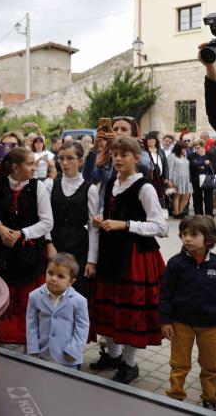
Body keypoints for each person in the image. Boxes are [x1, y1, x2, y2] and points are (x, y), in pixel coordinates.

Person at [87, 136, 167, 384]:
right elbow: (111, 213)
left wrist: (125, 224)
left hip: (135, 256)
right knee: (109, 306)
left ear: (137, 157)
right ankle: (113, 355)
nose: (118, 159)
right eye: (115, 154)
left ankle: (130, 364)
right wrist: (101, 219)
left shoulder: (145, 187)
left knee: (131, 312)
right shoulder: (111, 182)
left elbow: (161, 227)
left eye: (124, 154)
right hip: (111, 252)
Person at [159, 216, 216, 412]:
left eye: (193, 235)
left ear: (209, 238)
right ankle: (175, 396)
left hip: (212, 326)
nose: (187, 238)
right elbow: (165, 295)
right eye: (184, 234)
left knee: (210, 366)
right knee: (179, 364)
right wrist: (165, 321)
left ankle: (209, 399)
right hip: (181, 324)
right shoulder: (175, 264)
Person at [0, 147, 54, 345]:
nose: (34, 167)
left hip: (29, 252)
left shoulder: (37, 187)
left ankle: (28, 340)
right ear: (15, 167)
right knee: (6, 294)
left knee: (26, 297)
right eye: (30, 164)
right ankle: (4, 338)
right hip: (4, 251)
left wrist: (23, 233)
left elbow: (47, 222)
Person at [26, 252, 89, 368]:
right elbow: (32, 324)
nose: (54, 278)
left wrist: (73, 350)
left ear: (71, 281)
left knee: (66, 385)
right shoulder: (34, 296)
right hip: (41, 354)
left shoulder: (79, 301)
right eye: (50, 273)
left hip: (67, 357)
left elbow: (82, 328)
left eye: (60, 276)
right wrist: (33, 347)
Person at [46, 142, 90, 297]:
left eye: (70, 158)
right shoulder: (51, 185)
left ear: (80, 161)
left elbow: (93, 227)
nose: (64, 163)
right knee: (53, 289)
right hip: (56, 244)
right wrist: (48, 243)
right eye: (61, 158)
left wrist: (92, 260)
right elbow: (45, 218)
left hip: (80, 246)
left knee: (77, 292)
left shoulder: (90, 189)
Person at [188, 139, 215, 216]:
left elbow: (213, 165)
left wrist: (199, 165)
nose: (196, 149)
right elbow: (193, 165)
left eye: (198, 147)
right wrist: (204, 163)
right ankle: (198, 215)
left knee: (208, 199)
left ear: (203, 147)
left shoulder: (209, 154)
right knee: (197, 199)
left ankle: (209, 216)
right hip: (196, 180)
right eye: (195, 148)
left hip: (208, 179)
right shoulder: (192, 155)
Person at [167, 142, 193, 218]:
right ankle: (176, 212)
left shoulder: (184, 155)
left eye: (185, 148)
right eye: (184, 148)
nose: (185, 150)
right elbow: (169, 169)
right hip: (176, 178)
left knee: (186, 196)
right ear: (179, 148)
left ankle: (180, 212)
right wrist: (170, 180)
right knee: (177, 195)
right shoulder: (172, 156)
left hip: (186, 179)